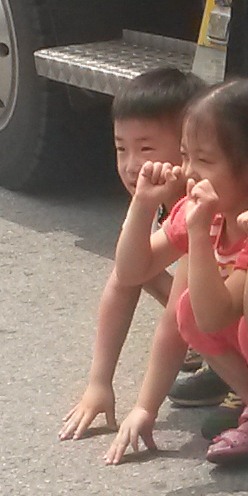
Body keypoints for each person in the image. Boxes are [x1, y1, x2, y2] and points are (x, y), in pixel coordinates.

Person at [135, 78, 248, 468]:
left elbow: (216, 315)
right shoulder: (209, 211)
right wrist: (143, 205)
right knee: (187, 309)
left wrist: (197, 235)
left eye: (204, 160)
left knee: (242, 325)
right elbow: (134, 268)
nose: (189, 173)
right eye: (185, 156)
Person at [59, 66, 204, 463]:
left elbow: (175, 318)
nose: (131, 164)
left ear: (188, 149)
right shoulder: (155, 192)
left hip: (245, 311)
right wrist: (99, 383)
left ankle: (241, 385)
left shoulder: (201, 203)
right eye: (121, 148)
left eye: (146, 148)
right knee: (139, 264)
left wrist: (145, 407)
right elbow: (124, 276)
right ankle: (211, 354)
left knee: (180, 300)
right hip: (212, 304)